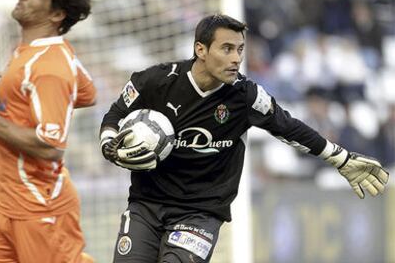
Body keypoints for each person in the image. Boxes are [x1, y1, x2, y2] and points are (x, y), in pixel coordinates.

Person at [99, 14, 389, 263]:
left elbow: (289, 128)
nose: (236, 58)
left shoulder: (246, 96)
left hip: (200, 213)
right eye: (227, 48)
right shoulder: (155, 81)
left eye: (239, 49)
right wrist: (108, 142)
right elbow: (114, 114)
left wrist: (341, 158)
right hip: (146, 204)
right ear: (201, 49)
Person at [0, 0, 96, 262]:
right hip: (5, 203)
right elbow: (87, 92)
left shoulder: (49, 67)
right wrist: (15, 92)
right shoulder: (40, 52)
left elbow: (51, 147)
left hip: (39, 211)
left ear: (57, 14)